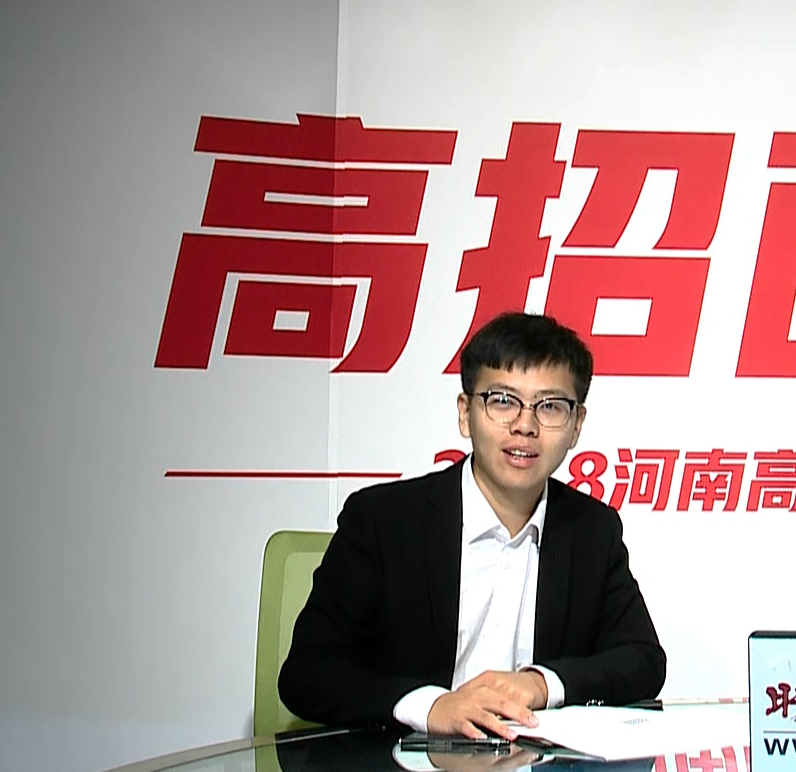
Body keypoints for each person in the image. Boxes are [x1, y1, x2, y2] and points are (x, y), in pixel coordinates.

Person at [280, 311, 666, 739]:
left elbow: (643, 660)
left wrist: (542, 684)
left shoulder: (592, 530)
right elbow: (308, 672)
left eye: (551, 407)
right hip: (402, 770)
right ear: (465, 413)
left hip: (539, 771)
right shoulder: (382, 521)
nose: (525, 426)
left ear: (576, 426)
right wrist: (431, 706)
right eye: (502, 401)